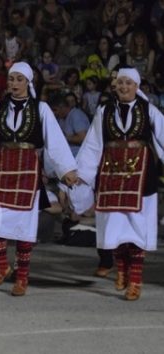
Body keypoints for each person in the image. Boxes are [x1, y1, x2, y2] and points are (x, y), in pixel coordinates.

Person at [0, 62, 78, 296]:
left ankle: (23, 277)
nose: (14, 84)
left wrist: (66, 168)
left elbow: (54, 140)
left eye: (19, 79)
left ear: (28, 82)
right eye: (11, 79)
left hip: (27, 166)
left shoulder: (41, 108)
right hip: (2, 165)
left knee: (25, 223)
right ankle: (3, 265)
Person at [74, 68, 164, 301]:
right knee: (115, 225)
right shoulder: (104, 111)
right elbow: (93, 145)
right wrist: (83, 174)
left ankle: (135, 280)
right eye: (120, 82)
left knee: (137, 225)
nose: (123, 87)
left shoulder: (149, 110)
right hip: (112, 172)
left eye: (128, 83)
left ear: (137, 86)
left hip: (141, 175)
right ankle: (121, 269)